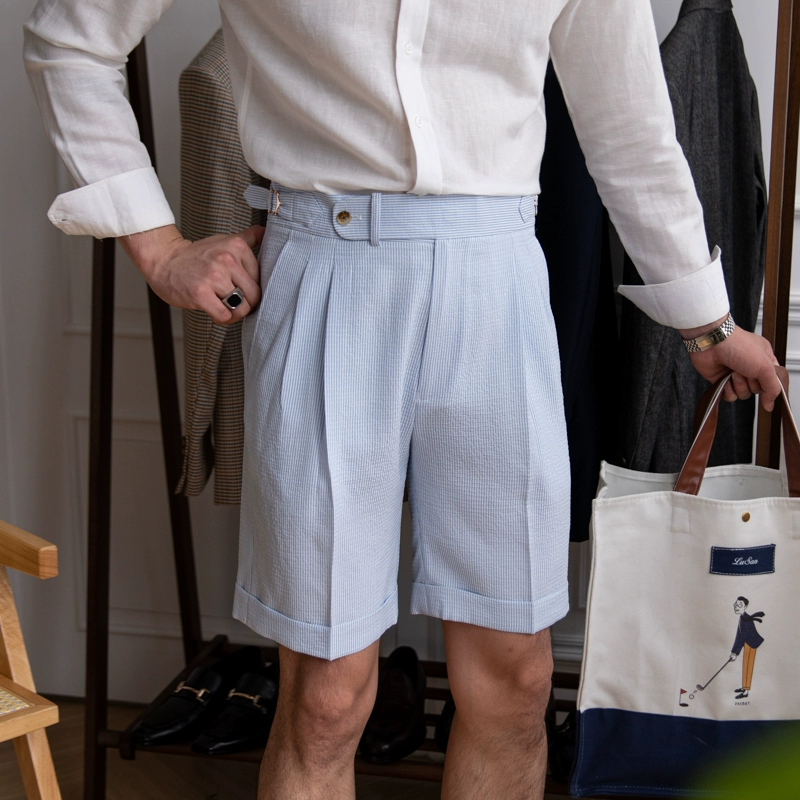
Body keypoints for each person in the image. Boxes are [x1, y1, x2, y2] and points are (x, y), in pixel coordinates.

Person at [23, 1, 782, 798]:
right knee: (324, 696)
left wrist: (707, 320)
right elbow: (69, 38)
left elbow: (627, 123)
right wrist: (158, 244)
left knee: (516, 681)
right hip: (326, 270)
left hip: (497, 284)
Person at [730, 596, 765, 700]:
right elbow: (738, 636)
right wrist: (733, 651)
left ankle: (746, 691)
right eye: (736, 604)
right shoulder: (742, 617)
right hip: (747, 643)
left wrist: (736, 654)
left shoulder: (747, 620)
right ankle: (744, 687)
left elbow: (742, 638)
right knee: (745, 666)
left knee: (748, 667)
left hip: (751, 644)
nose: (736, 606)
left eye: (740, 605)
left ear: (745, 607)